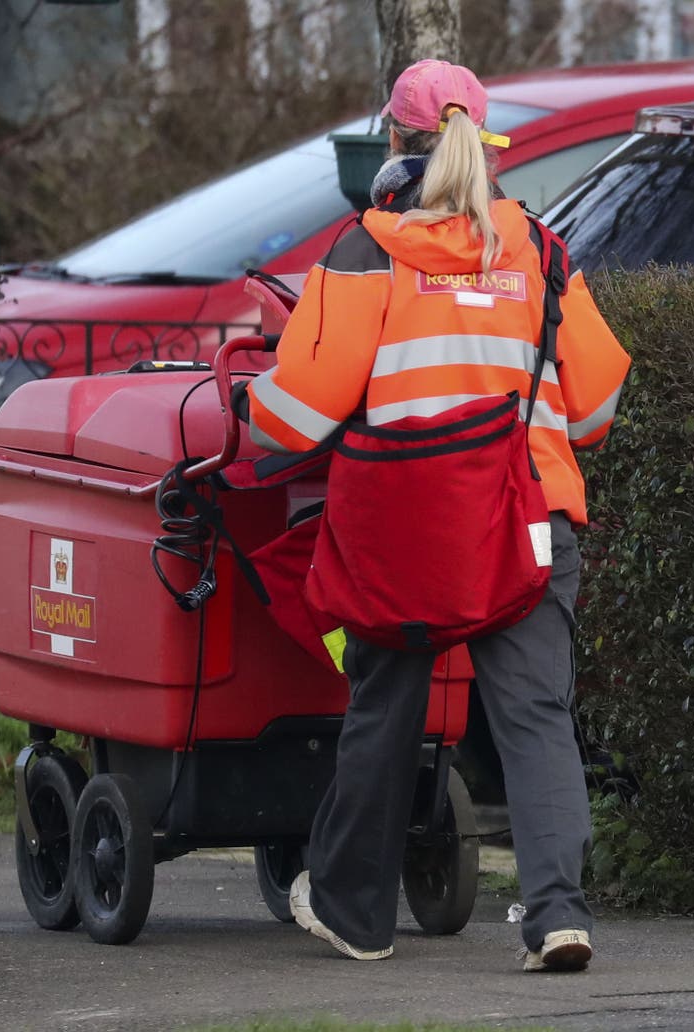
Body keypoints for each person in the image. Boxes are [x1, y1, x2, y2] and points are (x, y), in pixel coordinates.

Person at [242, 58, 631, 972]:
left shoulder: (368, 249)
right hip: (528, 521)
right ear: (484, 146)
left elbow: (295, 415)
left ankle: (352, 913)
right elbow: (601, 402)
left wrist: (253, 400)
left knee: (387, 707)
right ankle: (559, 917)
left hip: (406, 531)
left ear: (394, 143)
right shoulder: (538, 247)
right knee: (536, 717)